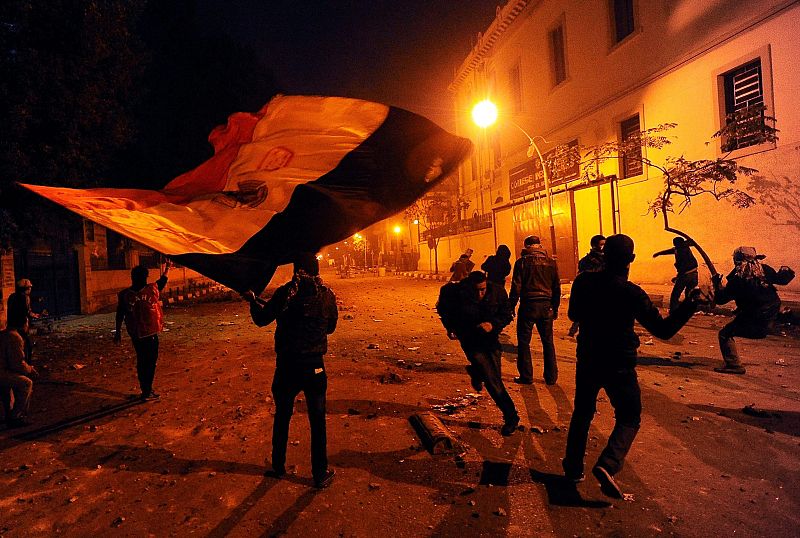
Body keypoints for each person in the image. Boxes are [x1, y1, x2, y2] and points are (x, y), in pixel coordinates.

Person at [563, 234, 701, 498]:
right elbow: (663, 330)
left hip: (589, 357)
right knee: (629, 416)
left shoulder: (583, 282)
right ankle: (608, 463)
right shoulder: (632, 293)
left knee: (582, 413)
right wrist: (690, 305)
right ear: (631, 259)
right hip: (619, 362)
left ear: (604, 255)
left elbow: (573, 315)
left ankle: (573, 468)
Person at [243, 252, 338, 489]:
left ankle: (278, 466)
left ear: (296, 271)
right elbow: (331, 328)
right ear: (317, 271)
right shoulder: (327, 295)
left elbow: (262, 319)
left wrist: (253, 301)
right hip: (315, 367)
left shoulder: (285, 293)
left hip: (287, 367)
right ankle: (319, 473)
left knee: (282, 416)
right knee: (318, 422)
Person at [437, 271, 519, 435]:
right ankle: (511, 416)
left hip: (490, 339)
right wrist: (450, 328)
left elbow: (506, 314)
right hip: (470, 340)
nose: (479, 294)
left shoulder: (497, 291)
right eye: (476, 290)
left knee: (494, 377)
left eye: (482, 289)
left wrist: (492, 324)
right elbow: (443, 309)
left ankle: (476, 371)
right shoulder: (455, 292)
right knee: (492, 381)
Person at [712, 247, 794, 375]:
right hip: (770, 312)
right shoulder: (765, 270)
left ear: (737, 260)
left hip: (753, 316)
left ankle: (734, 365)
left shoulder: (737, 279)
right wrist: (786, 270)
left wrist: (716, 285)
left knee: (725, 334)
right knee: (762, 322)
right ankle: (772, 324)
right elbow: (782, 279)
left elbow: (720, 300)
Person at [508, 235, 561, 385]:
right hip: (546, 306)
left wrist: (511, 306)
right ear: (539, 246)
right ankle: (551, 377)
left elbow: (516, 286)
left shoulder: (521, 263)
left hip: (528, 306)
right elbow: (556, 287)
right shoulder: (551, 263)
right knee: (548, 342)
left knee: (524, 342)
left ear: (526, 246)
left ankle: (526, 376)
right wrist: (555, 307)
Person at [114, 262, 169, 400]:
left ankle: (145, 389)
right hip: (150, 333)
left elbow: (120, 314)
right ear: (145, 277)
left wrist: (118, 332)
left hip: (136, 335)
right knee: (150, 362)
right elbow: (162, 281)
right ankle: (147, 390)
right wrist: (167, 268)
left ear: (132, 277)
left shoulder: (125, 295)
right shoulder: (151, 289)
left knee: (142, 361)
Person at [0, 317, 38, 428]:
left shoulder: (4, 334)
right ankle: (16, 416)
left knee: (13, 383)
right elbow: (17, 363)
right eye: (27, 323)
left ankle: (10, 413)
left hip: (4, 370)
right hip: (2, 373)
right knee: (26, 383)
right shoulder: (14, 337)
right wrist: (30, 370)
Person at [568, 235, 606, 337]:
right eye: (602, 244)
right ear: (594, 246)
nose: (604, 247)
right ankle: (573, 330)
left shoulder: (608, 259)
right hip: (591, 292)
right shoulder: (586, 261)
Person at [653, 237, 699, 313]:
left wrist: (677, 277)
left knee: (675, 295)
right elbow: (671, 250)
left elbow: (683, 266)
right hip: (694, 274)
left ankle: (673, 312)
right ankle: (687, 310)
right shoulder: (684, 247)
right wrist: (659, 253)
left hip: (685, 275)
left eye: (674, 242)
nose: (673, 244)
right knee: (689, 295)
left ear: (677, 243)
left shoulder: (681, 251)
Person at [7, 278, 42, 360]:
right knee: (27, 346)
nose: (30, 289)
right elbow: (25, 312)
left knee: (15, 346)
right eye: (29, 287)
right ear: (26, 289)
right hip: (20, 325)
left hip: (11, 325)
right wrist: (34, 315)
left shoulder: (12, 296)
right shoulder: (25, 298)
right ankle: (25, 363)